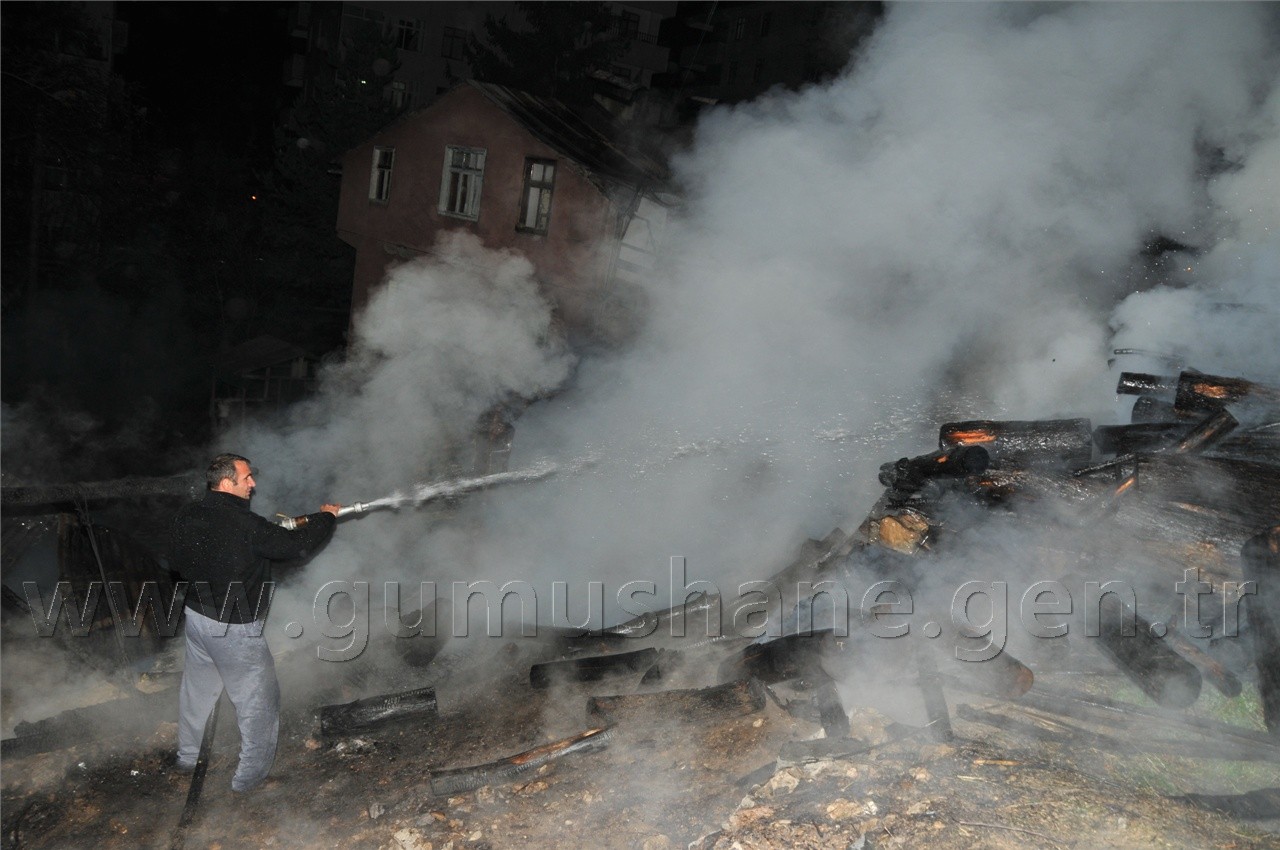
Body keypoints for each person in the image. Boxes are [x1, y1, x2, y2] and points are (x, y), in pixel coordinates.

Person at [168, 453, 340, 792]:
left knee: (198, 691)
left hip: (198, 617)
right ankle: (249, 780)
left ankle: (187, 757)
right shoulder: (246, 526)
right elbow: (296, 548)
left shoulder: (189, 513)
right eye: (246, 478)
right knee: (259, 701)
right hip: (233, 628)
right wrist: (326, 519)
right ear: (226, 482)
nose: (253, 484)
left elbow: (175, 560)